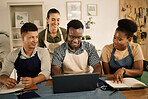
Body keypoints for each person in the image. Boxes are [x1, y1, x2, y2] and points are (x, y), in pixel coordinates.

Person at [0, 23, 51, 89]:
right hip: (22, 88)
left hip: (41, 86)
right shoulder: (13, 55)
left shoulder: (43, 52)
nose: (35, 41)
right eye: (31, 37)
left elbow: (46, 73)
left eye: (36, 37)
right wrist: (6, 80)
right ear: (22, 37)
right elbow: (4, 74)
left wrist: (33, 81)